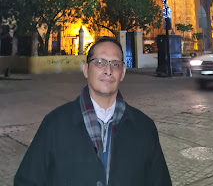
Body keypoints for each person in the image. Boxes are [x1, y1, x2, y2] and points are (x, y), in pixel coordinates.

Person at [14, 36, 172, 186]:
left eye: (115, 64)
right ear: (86, 69)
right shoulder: (55, 124)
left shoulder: (144, 127)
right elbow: (27, 180)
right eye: (100, 62)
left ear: (122, 73)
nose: (108, 70)